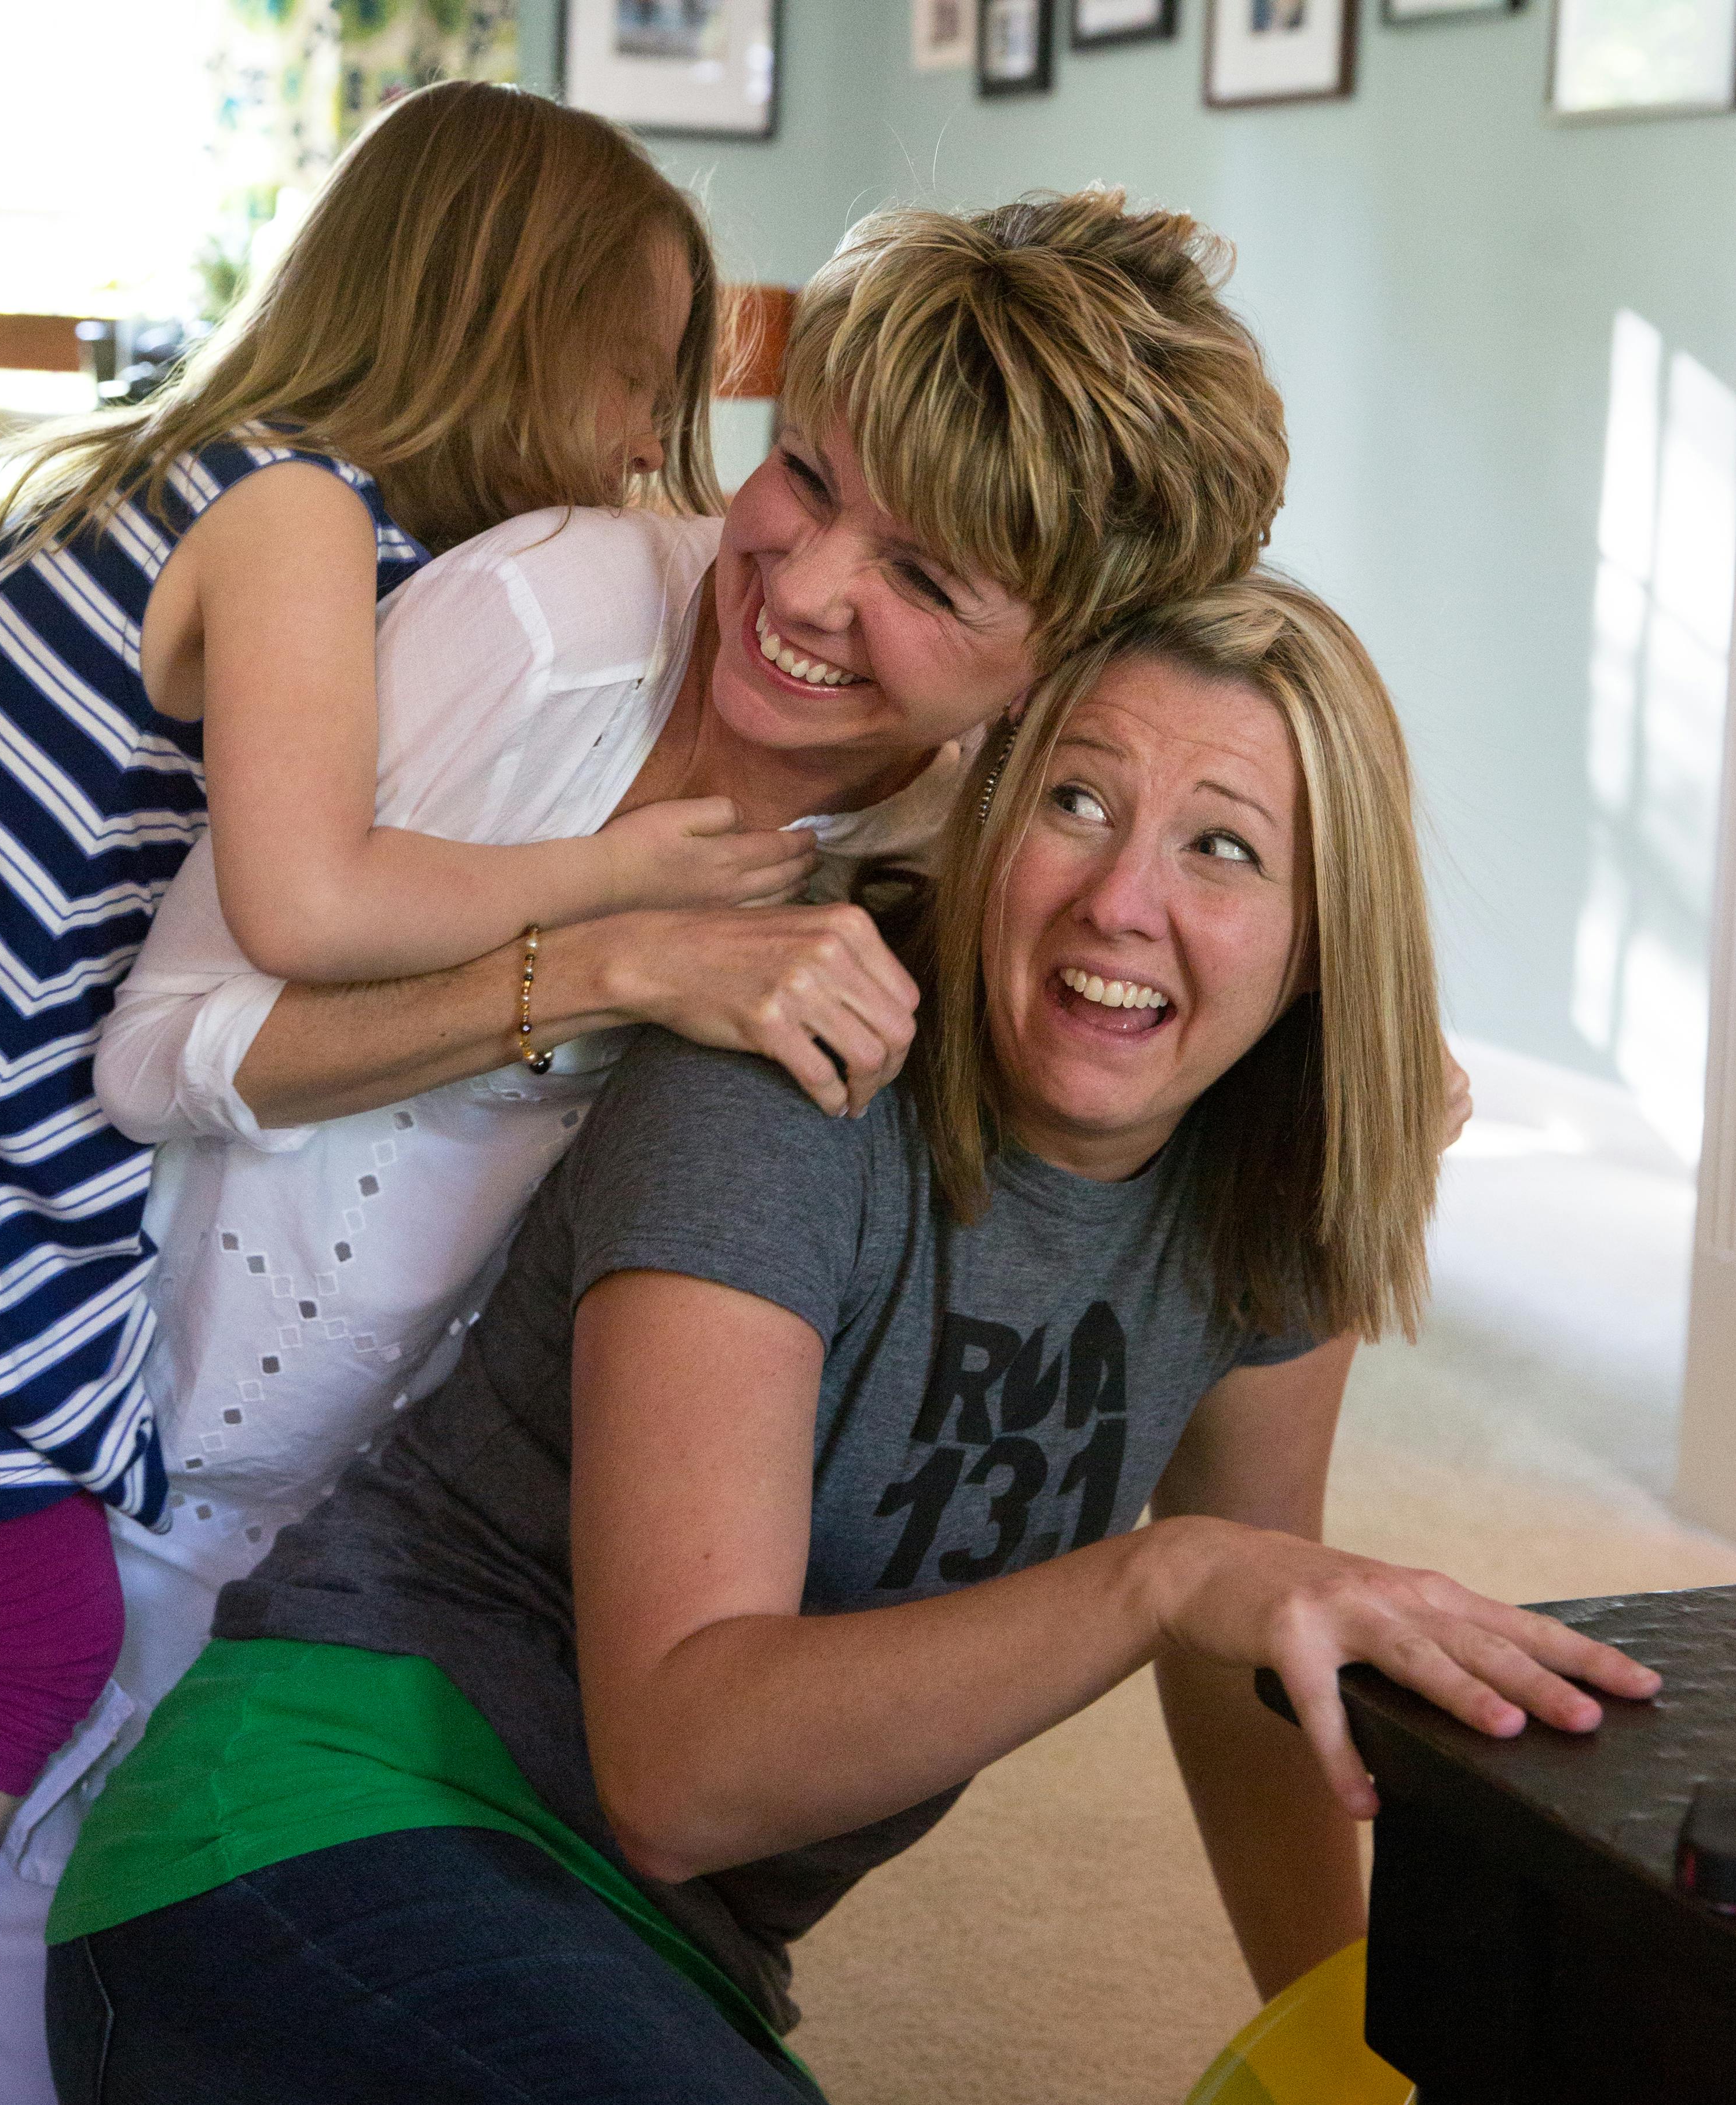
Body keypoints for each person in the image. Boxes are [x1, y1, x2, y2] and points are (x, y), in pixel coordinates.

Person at [44, 573, 1656, 2104]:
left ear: (1323, 935)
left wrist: (1351, 2043)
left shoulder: (1274, 1190)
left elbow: (1257, 1649)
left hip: (656, 1960)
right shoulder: (783, 1084)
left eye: (1222, 847)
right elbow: (679, 1775)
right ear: (989, 819)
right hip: (303, 1834)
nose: (1122, 899)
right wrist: (1163, 1578)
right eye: (1076, 803)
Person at [0, 80, 803, 2105]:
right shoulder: (285, 512)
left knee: (37, 1667)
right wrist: (623, 881)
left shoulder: (273, 502)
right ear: (504, 335)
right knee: (28, 1642)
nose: (639, 448)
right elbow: (310, 890)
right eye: (632, 384)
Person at [83, 192, 1294, 1679]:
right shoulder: (546, 626)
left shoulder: (979, 839)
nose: (801, 583)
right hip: (61, 1472)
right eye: (803, 474)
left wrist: (1358, 1038)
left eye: (922, 578)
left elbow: (1208, 917)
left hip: (380, 1582)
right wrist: (605, 967)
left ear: (1060, 664)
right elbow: (151, 1059)